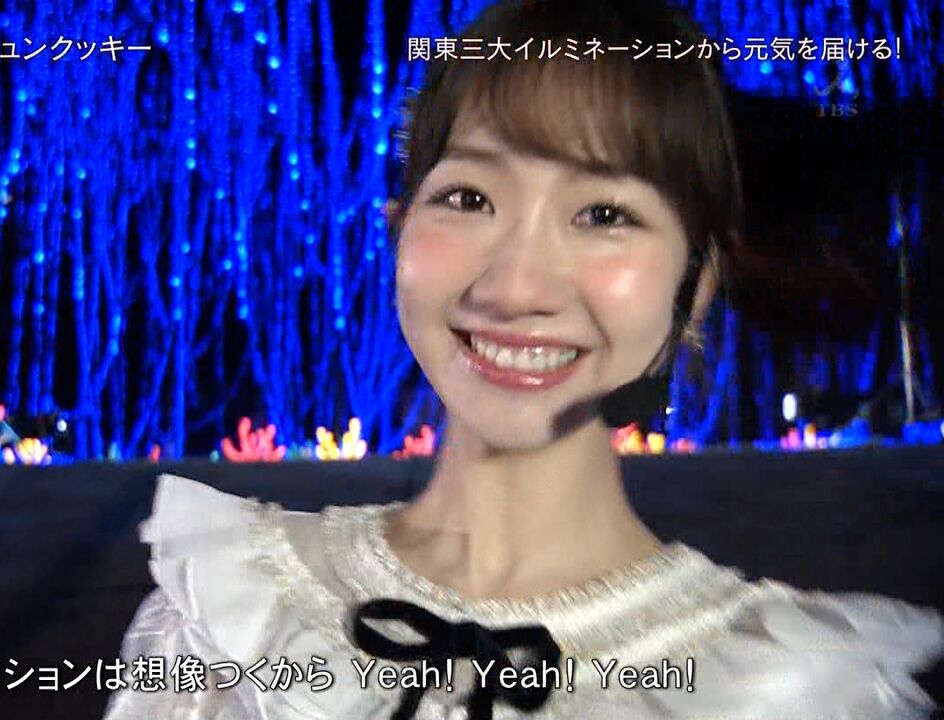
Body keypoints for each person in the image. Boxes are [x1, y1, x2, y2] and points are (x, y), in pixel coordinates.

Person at [103, 0, 944, 717]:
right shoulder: (228, 614)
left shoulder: (786, 686)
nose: (515, 285)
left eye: (605, 213)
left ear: (695, 282)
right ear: (400, 229)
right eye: (469, 197)